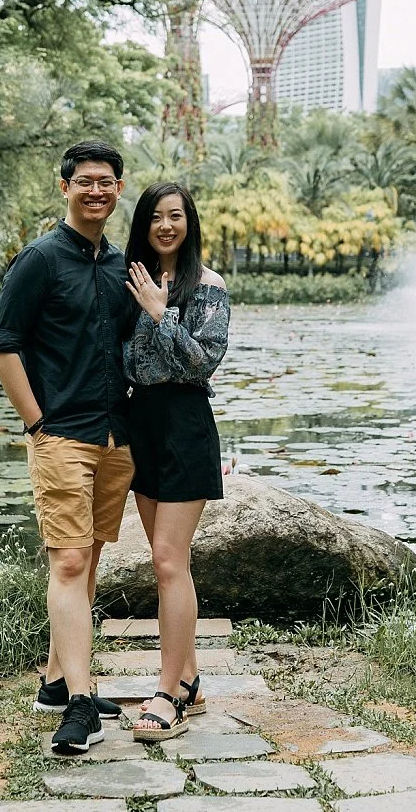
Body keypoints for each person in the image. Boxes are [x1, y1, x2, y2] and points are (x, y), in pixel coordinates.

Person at [0, 140, 134, 755]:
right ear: (65, 187)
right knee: (68, 563)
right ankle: (78, 702)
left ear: (119, 190)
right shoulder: (40, 260)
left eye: (107, 181)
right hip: (61, 435)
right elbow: (3, 342)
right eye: (85, 181)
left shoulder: (123, 264)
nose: (96, 190)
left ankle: (54, 679)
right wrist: (35, 422)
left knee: (90, 561)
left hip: (115, 436)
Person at [120, 181, 230, 742]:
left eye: (176, 216)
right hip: (142, 425)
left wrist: (163, 314)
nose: (166, 226)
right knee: (167, 564)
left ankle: (168, 693)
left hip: (185, 424)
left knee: (168, 560)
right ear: (143, 225)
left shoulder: (208, 287)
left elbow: (200, 366)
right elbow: (123, 361)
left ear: (189, 222)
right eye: (156, 217)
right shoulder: (128, 280)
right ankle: (188, 678)